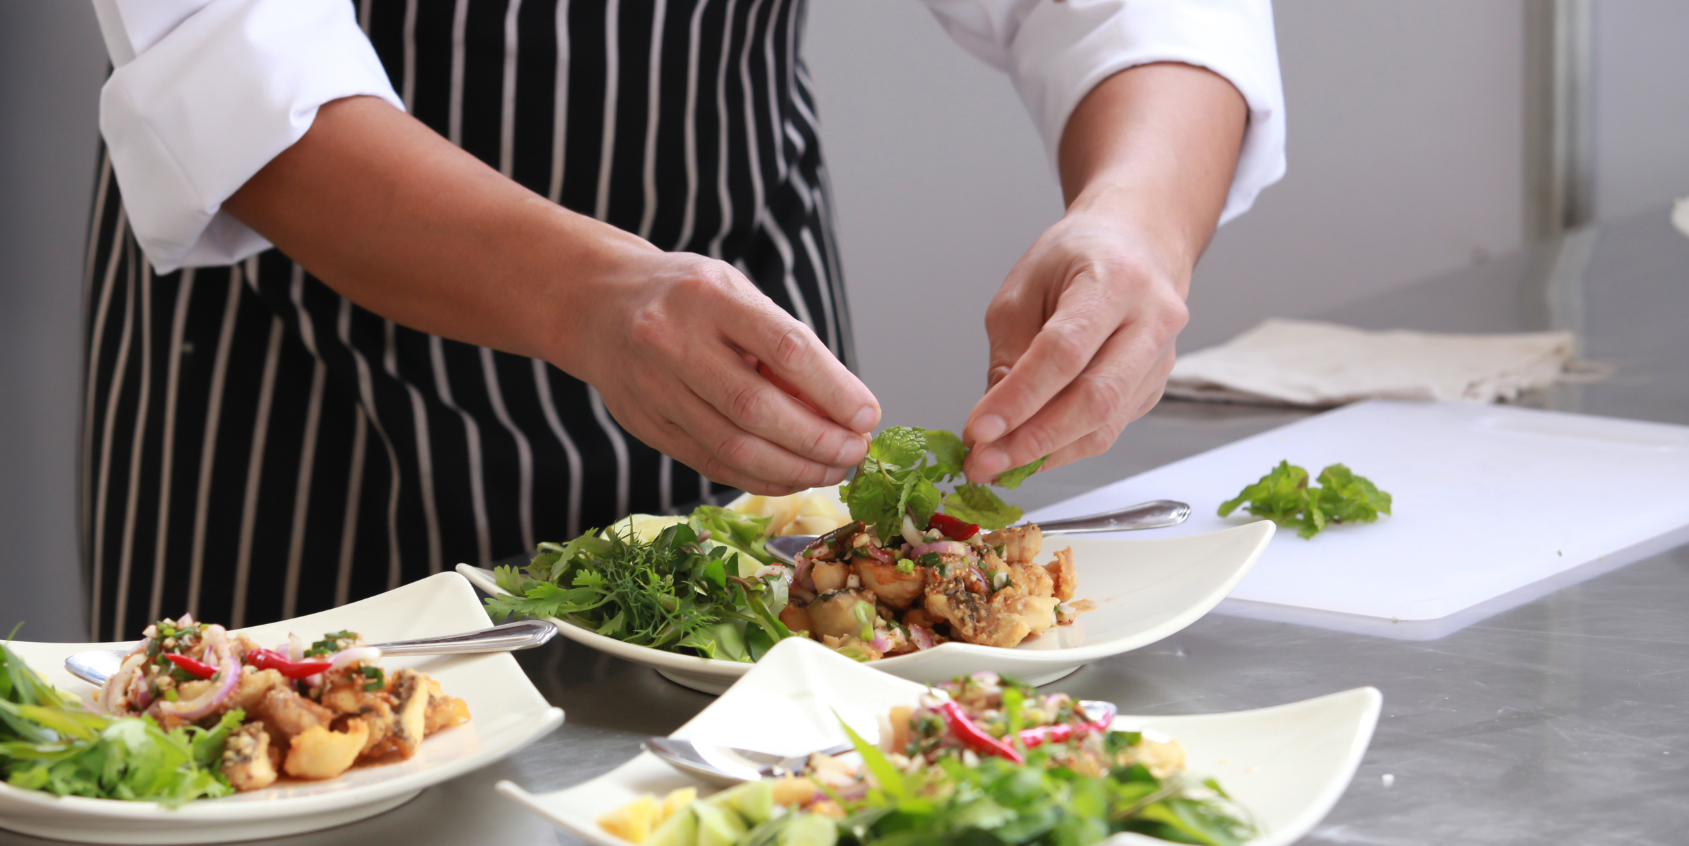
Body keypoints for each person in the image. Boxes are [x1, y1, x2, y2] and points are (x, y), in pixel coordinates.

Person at [82, 0, 1283, 640]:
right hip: (312, 387)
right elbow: (229, 66)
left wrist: (1137, 221)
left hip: (747, 303)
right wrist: (588, 297)